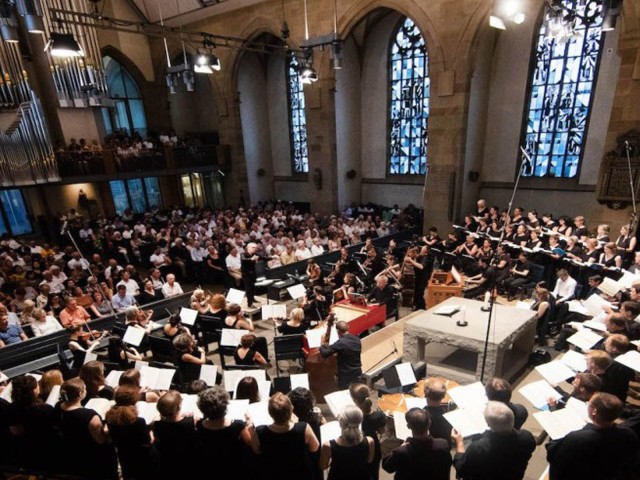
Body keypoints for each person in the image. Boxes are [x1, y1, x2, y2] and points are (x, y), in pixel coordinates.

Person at [546, 392, 639, 480]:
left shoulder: (577, 438)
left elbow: (552, 454)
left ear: (594, 412)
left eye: (589, 404)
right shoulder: (629, 434)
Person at [452, 401, 536, 480]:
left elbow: (461, 470)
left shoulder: (479, 448)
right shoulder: (527, 437)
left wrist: (459, 442)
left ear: (488, 424)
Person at [55, 377, 119, 479]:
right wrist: (107, 428)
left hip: (71, 453)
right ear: (80, 394)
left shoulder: (58, 406)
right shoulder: (88, 415)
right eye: (84, 388)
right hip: (91, 458)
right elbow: (101, 440)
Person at [249, 391, 320, 480]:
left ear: (270, 413)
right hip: (300, 474)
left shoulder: (260, 431)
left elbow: (256, 451)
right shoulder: (303, 427)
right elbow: (315, 448)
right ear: (291, 409)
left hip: (272, 474)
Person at [7, 374, 63, 472]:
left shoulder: (11, 408)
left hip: (25, 448)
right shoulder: (46, 409)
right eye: (37, 385)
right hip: (46, 448)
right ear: (34, 391)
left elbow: (15, 431)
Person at [382, 407, 452, 480]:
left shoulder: (401, 452)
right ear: (429, 424)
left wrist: (400, 447)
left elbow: (387, 466)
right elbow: (448, 464)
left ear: (408, 426)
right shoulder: (443, 444)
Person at [196, 386, 253, 470]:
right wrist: (249, 423)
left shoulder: (199, 425)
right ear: (225, 407)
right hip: (234, 467)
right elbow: (249, 442)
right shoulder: (238, 425)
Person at [105, 385, 156, 479]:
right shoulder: (139, 421)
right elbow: (147, 443)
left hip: (123, 456)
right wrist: (152, 432)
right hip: (142, 457)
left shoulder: (110, 417)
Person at [319, 404, 375, 480]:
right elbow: (369, 460)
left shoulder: (328, 445)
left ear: (340, 422)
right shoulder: (369, 441)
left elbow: (323, 466)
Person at [152, 391, 198, 479]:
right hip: (188, 462)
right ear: (178, 408)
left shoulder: (157, 425)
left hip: (167, 463)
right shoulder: (191, 421)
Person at [349, 383, 387, 480]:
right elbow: (382, 431)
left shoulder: (352, 417)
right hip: (374, 446)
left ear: (355, 400)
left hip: (357, 445)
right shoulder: (379, 416)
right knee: (373, 470)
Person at [288, 387, 326, 480]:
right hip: (315, 455)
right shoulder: (317, 417)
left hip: (298, 456)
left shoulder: (290, 421)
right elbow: (325, 428)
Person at [319, 319, 362, 390]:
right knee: (355, 391)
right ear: (348, 327)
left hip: (346, 374)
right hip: (357, 371)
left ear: (338, 331)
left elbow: (324, 353)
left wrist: (322, 343)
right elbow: (349, 350)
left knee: (343, 393)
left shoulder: (340, 343)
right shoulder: (357, 339)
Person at [423, 377, 454, 446]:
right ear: (443, 397)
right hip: (444, 447)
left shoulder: (423, 415)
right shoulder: (448, 413)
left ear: (425, 395)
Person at [240, 242, 260, 308]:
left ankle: (252, 299)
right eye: (253, 247)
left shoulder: (255, 254)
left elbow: (262, 257)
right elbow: (243, 259)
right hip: (246, 274)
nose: (254, 249)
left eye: (255, 248)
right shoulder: (243, 254)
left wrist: (271, 257)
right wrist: (251, 259)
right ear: (248, 248)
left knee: (253, 288)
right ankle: (249, 303)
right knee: (248, 289)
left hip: (253, 273)